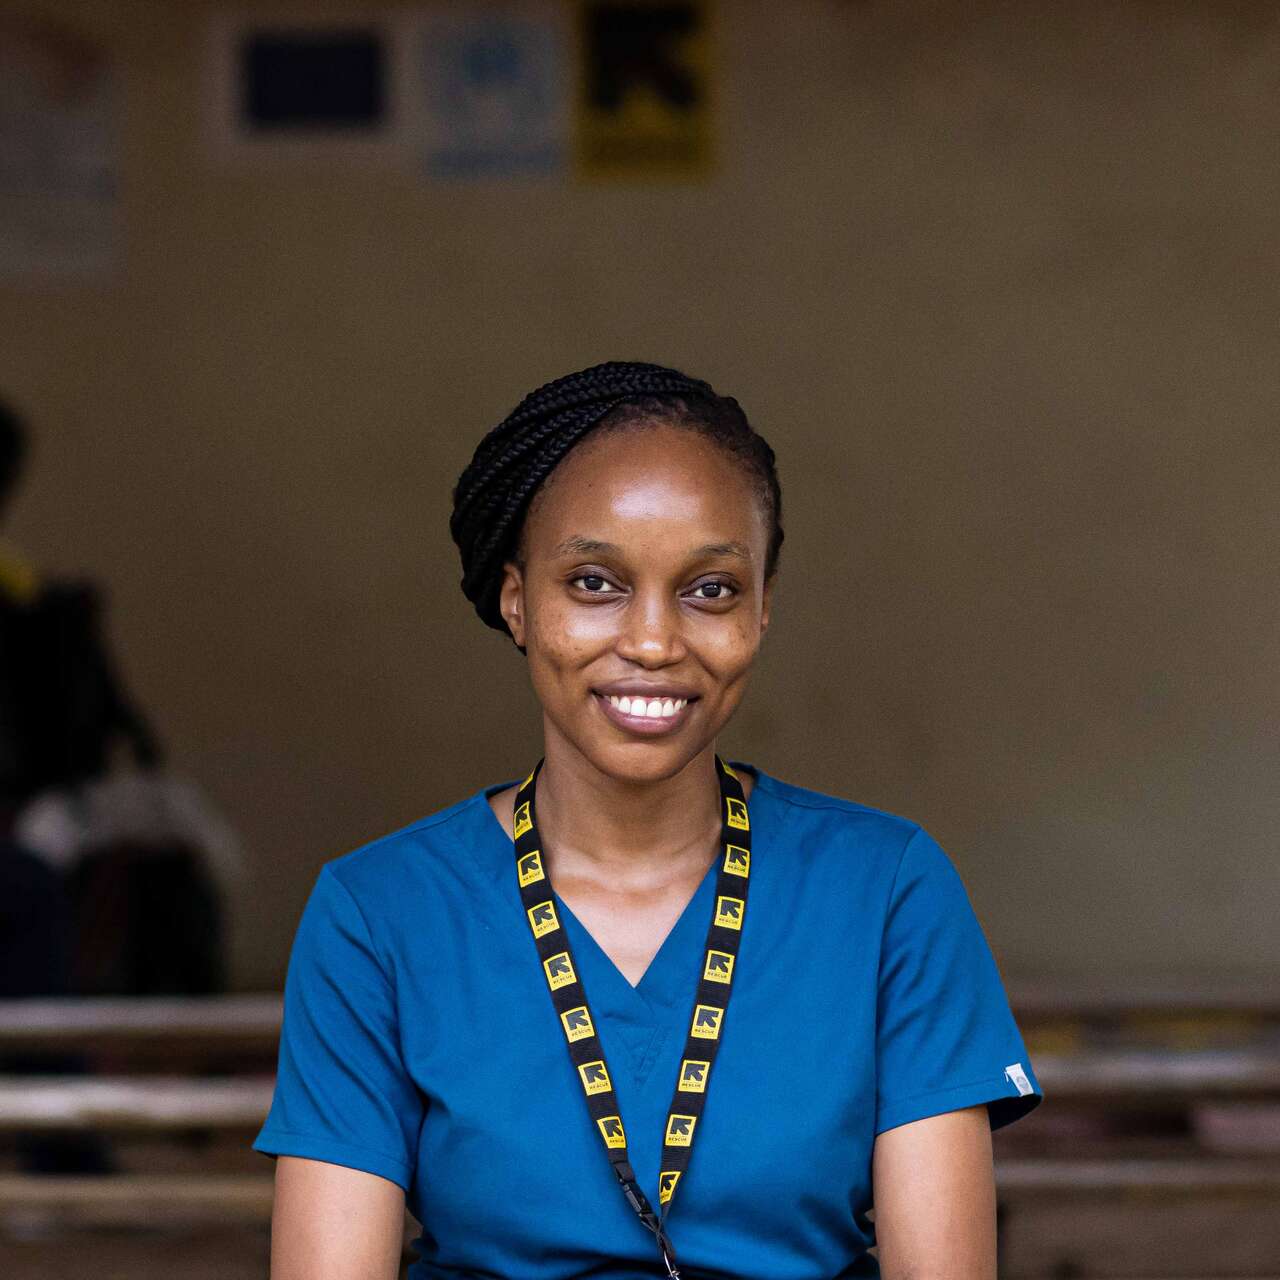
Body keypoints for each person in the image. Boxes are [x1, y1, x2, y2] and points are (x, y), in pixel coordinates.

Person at [252, 360, 1044, 1279]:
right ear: (517, 600)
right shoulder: (379, 912)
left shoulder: (885, 890)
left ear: (762, 609)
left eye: (711, 590)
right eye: (594, 582)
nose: (656, 642)